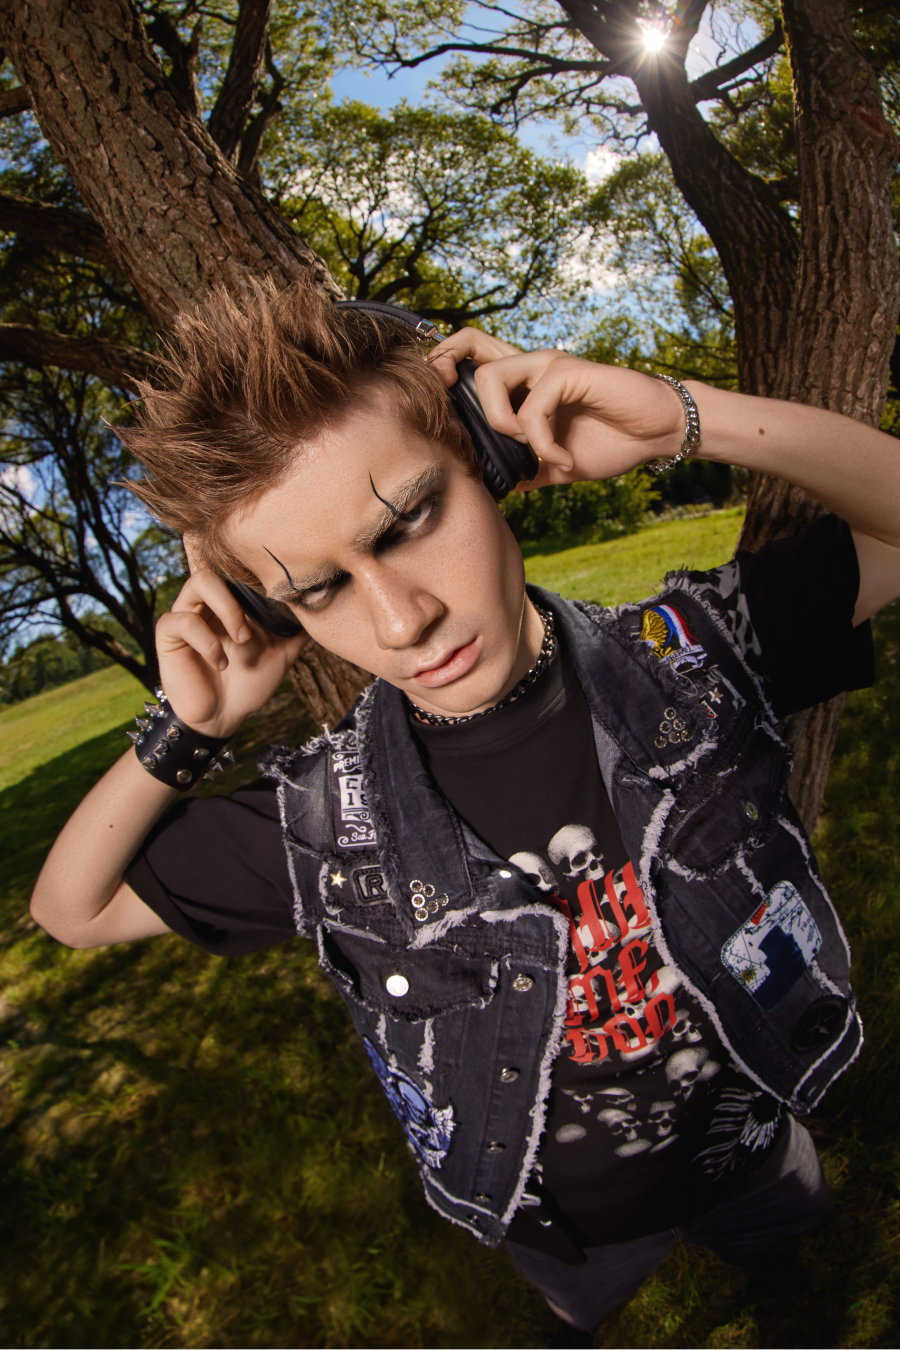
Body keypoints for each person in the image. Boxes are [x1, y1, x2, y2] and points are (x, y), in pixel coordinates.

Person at [30, 276, 900, 1347]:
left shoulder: (697, 657)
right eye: (319, 589)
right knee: (578, 1312)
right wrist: (189, 730)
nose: (401, 621)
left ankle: (781, 1278)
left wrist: (683, 418)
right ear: (278, 615)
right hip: (561, 1222)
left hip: (751, 1134)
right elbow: (72, 909)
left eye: (409, 520)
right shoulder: (322, 821)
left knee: (783, 1242)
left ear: (489, 461)